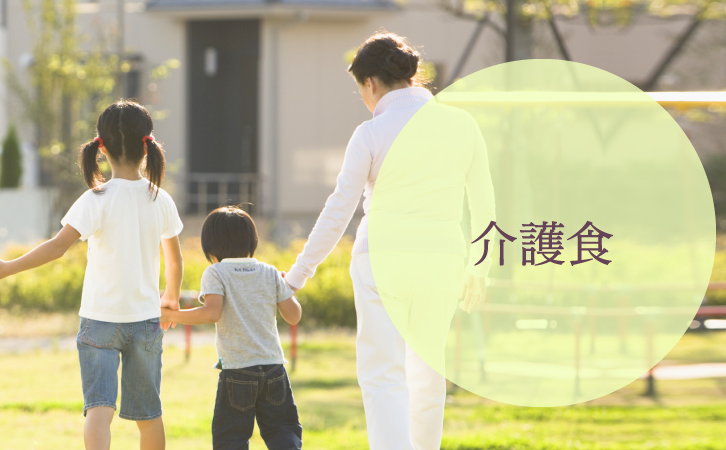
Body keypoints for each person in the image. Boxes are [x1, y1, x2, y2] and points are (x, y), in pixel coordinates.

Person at [281, 32, 495, 450]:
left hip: (380, 260)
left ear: (371, 84)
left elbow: (339, 210)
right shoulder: (461, 124)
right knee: (428, 375)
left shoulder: (371, 132)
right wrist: (480, 268)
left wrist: (297, 276)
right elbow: (485, 202)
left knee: (384, 376)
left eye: (361, 90)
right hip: (442, 260)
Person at [0, 100, 183, 450]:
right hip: (145, 321)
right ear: (147, 146)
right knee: (149, 415)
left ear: (101, 147)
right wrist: (171, 298)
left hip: (99, 321)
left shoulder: (96, 199)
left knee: (99, 412)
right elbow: (175, 261)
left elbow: (57, 248)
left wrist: (4, 268)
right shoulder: (160, 199)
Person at [161, 206, 304, 450]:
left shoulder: (215, 273)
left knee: (231, 439)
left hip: (238, 371)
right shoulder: (270, 272)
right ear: (252, 241)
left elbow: (212, 313)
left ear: (211, 248)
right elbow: (294, 316)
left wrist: (173, 315)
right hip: (274, 369)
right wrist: (286, 288)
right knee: (282, 430)